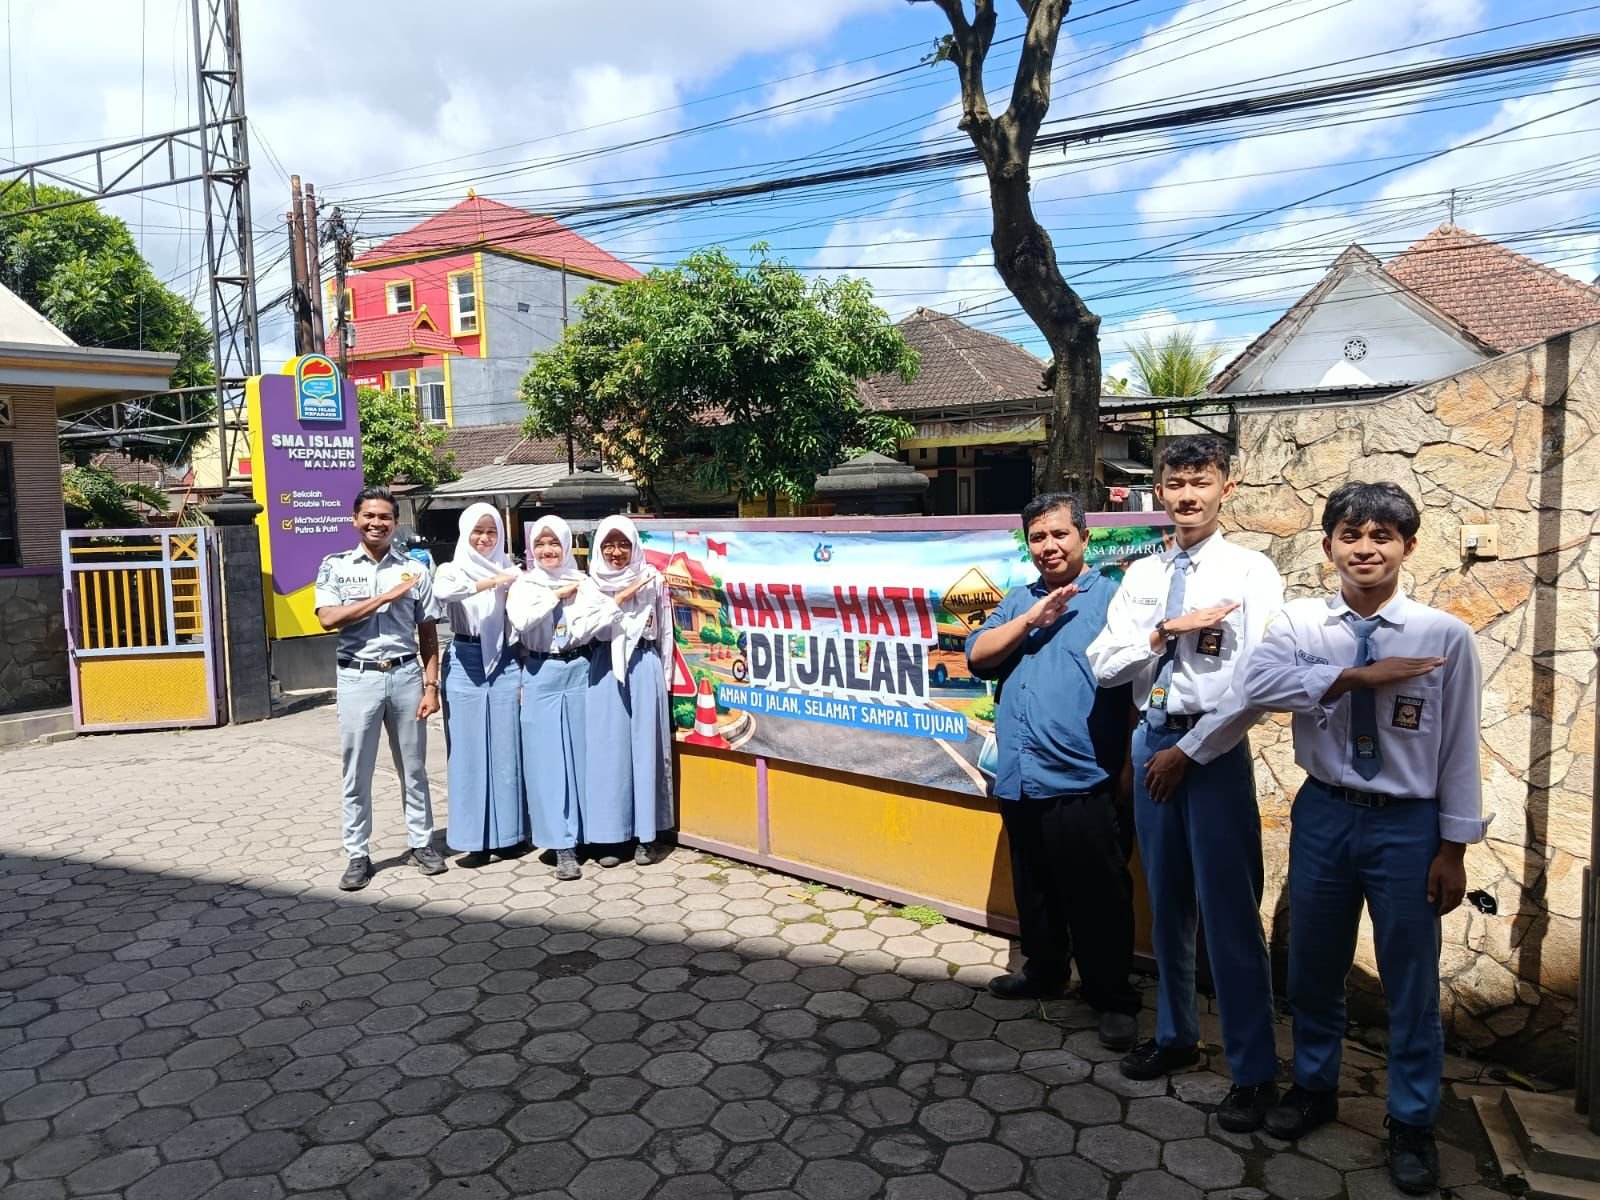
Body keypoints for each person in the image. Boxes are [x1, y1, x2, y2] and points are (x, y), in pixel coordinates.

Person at [1242, 481, 1486, 1195]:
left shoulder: (1444, 636)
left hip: (1409, 825)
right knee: (1313, 964)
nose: (1366, 549)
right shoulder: (1298, 624)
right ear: (1328, 548)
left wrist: (1453, 848)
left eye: (1383, 536)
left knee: (1411, 980)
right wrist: (1354, 675)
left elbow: (1459, 749)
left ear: (1408, 547)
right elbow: (1261, 686)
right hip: (1324, 812)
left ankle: (1411, 1120)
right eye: (1352, 535)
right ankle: (1314, 1088)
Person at [1085, 434, 1284, 1132]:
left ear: (1227, 487)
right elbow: (1105, 664)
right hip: (1152, 740)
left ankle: (1254, 1072)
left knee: (1230, 914)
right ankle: (1176, 1035)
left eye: (1201, 481)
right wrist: (1163, 630)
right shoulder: (1142, 574)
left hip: (1212, 750)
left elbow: (1259, 681)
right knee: (1166, 903)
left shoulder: (1250, 572)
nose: (1188, 495)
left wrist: (1191, 752)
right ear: (1159, 492)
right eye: (1176, 483)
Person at [966, 493, 1140, 1051]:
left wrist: (1130, 763)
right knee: (1035, 884)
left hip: (1084, 775)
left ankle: (1110, 996)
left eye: (1060, 534)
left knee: (1097, 892)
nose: (1049, 546)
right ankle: (1044, 970)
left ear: (1084, 538)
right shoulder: (1017, 598)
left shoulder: (1113, 599)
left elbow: (1139, 682)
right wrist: (1031, 619)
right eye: (1038, 537)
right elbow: (978, 654)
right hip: (1019, 775)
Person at [313, 485, 447, 892]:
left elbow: (428, 633)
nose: (377, 523)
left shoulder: (415, 570)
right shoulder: (335, 566)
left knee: (414, 767)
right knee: (357, 770)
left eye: (385, 517)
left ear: (395, 522)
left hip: (406, 676)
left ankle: (421, 843)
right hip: (358, 677)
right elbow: (327, 618)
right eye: (369, 516)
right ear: (355, 520)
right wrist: (383, 597)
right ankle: (358, 853)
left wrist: (431, 686)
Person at [507, 515, 618, 881]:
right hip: (541, 672)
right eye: (540, 543)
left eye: (554, 543)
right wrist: (555, 595)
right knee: (548, 762)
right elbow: (521, 622)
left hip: (581, 668)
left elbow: (599, 622)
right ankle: (562, 844)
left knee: (588, 756)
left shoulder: (583, 581)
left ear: (567, 545)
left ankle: (596, 836)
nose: (547, 550)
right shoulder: (525, 584)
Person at [432, 503, 526, 867]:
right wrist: (494, 582)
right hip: (464, 659)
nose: (485, 538)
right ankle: (475, 839)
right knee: (468, 752)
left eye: (491, 532)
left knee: (505, 750)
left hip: (505, 661)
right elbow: (446, 593)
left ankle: (509, 836)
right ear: (465, 532)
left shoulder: (512, 569)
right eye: (478, 531)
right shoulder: (451, 569)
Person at [586, 515, 674, 868]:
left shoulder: (653, 579)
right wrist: (623, 595)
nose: (616, 551)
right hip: (604, 666)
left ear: (634, 546)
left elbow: (665, 629)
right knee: (609, 751)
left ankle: (646, 837)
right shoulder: (590, 583)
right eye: (609, 544)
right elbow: (587, 627)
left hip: (643, 663)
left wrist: (663, 681)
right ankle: (611, 835)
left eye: (624, 544)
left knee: (645, 750)